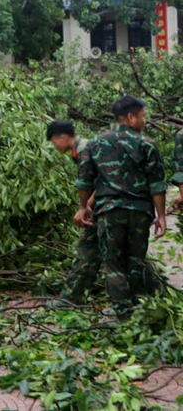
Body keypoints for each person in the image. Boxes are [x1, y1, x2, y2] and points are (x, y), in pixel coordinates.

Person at [46, 120, 163, 308]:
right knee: (117, 253)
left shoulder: (86, 149)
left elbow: (102, 178)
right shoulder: (81, 150)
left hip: (107, 209)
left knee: (98, 253)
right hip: (109, 208)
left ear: (62, 137)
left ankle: (74, 299)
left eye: (53, 141)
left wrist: (85, 207)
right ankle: (156, 294)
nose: (54, 146)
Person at [76, 96, 167, 321]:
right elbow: (157, 184)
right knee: (135, 260)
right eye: (143, 116)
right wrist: (162, 216)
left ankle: (123, 314)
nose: (145, 121)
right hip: (140, 212)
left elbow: (84, 181)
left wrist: (83, 207)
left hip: (109, 212)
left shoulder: (95, 143)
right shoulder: (147, 144)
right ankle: (137, 309)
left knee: (113, 264)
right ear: (130, 117)